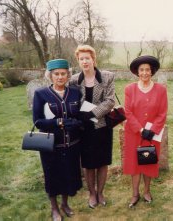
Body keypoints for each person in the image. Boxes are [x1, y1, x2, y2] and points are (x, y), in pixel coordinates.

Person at [32, 59, 83, 221]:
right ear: (50, 75)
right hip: (51, 145)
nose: (60, 77)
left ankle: (65, 204)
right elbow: (37, 121)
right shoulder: (41, 94)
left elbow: (81, 115)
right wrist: (58, 122)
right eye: (56, 74)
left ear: (68, 75)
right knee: (52, 176)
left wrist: (77, 123)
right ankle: (54, 208)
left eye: (63, 74)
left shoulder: (75, 93)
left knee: (68, 175)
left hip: (72, 145)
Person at [70, 45, 115, 208]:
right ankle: (92, 194)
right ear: (78, 61)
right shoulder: (74, 80)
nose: (84, 61)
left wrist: (93, 113)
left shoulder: (107, 77)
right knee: (88, 163)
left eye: (87, 58)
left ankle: (101, 192)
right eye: (81, 59)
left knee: (102, 162)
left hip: (102, 125)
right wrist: (80, 115)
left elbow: (110, 101)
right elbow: (71, 102)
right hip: (83, 128)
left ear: (93, 59)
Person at [123, 55, 168, 208]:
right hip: (134, 133)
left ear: (152, 71)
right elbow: (128, 112)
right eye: (141, 70)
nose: (144, 73)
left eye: (147, 69)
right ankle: (135, 194)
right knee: (135, 163)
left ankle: (147, 191)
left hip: (152, 135)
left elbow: (163, 113)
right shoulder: (130, 89)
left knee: (148, 161)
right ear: (137, 72)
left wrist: (152, 130)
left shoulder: (161, 90)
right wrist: (140, 129)